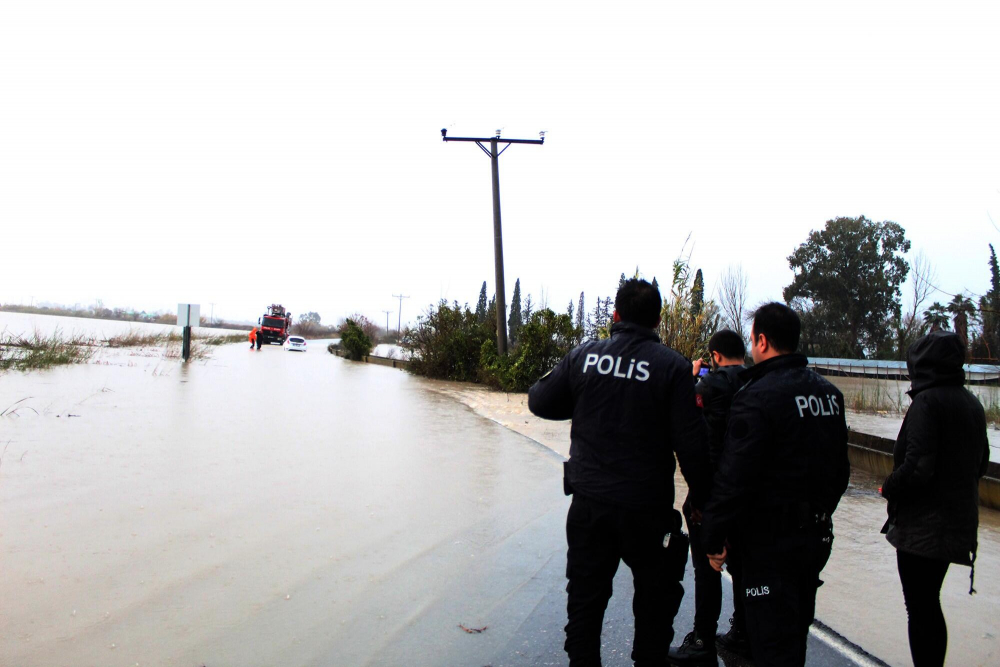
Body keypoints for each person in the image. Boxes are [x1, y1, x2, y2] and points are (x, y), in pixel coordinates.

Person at [528, 278, 712, 667]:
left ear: (615, 315)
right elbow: (692, 448)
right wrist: (705, 508)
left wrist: (585, 399)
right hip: (647, 514)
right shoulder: (674, 367)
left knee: (584, 610)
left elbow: (539, 401)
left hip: (589, 507)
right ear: (658, 319)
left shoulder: (585, 356)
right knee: (654, 610)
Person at [700, 302, 850, 667]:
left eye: (753, 340)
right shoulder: (829, 395)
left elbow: (735, 477)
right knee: (794, 637)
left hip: (768, 547)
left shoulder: (756, 396)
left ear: (762, 341)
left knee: (768, 646)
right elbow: (840, 473)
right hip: (815, 538)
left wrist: (714, 538)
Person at [880, 330, 989, 667]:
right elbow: (981, 461)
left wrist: (889, 486)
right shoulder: (970, 401)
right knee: (930, 602)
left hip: (923, 528)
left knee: (920, 606)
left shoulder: (927, 402)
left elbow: (917, 465)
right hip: (956, 520)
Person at [669, 329, 750, 665]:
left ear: (715, 356)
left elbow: (684, 422)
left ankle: (703, 639)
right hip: (749, 494)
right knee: (744, 566)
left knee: (707, 567)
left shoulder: (710, 385)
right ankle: (743, 632)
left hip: (712, 491)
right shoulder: (758, 383)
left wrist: (690, 379)